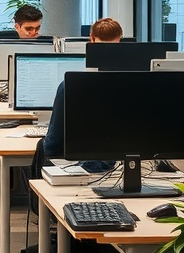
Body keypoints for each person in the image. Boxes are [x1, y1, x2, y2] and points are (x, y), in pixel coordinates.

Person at [42, 17, 123, 160]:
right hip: (124, 162)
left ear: (91, 39)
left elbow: (52, 145)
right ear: (120, 41)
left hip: (78, 165)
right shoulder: (134, 84)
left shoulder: (71, 84)